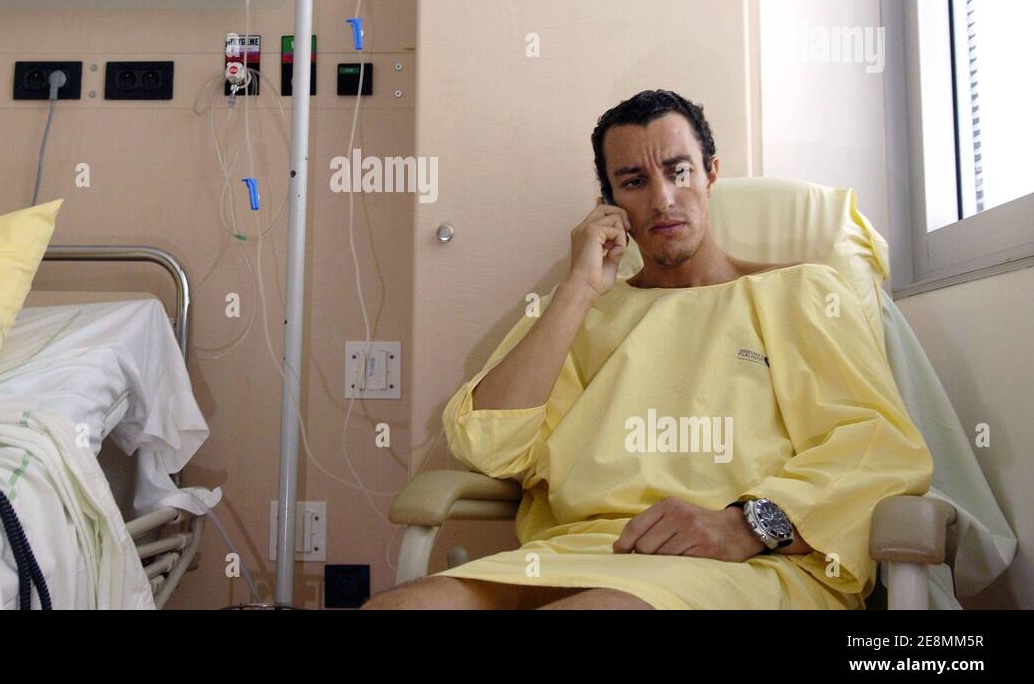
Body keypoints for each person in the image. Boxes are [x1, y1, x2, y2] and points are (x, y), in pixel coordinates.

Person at [362, 89, 933, 610]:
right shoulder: (585, 314)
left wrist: (748, 524)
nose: (663, 200)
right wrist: (579, 288)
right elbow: (487, 444)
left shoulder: (800, 293)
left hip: (745, 563)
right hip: (580, 554)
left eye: (678, 171)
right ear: (610, 205)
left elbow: (879, 446)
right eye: (634, 181)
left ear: (711, 174)